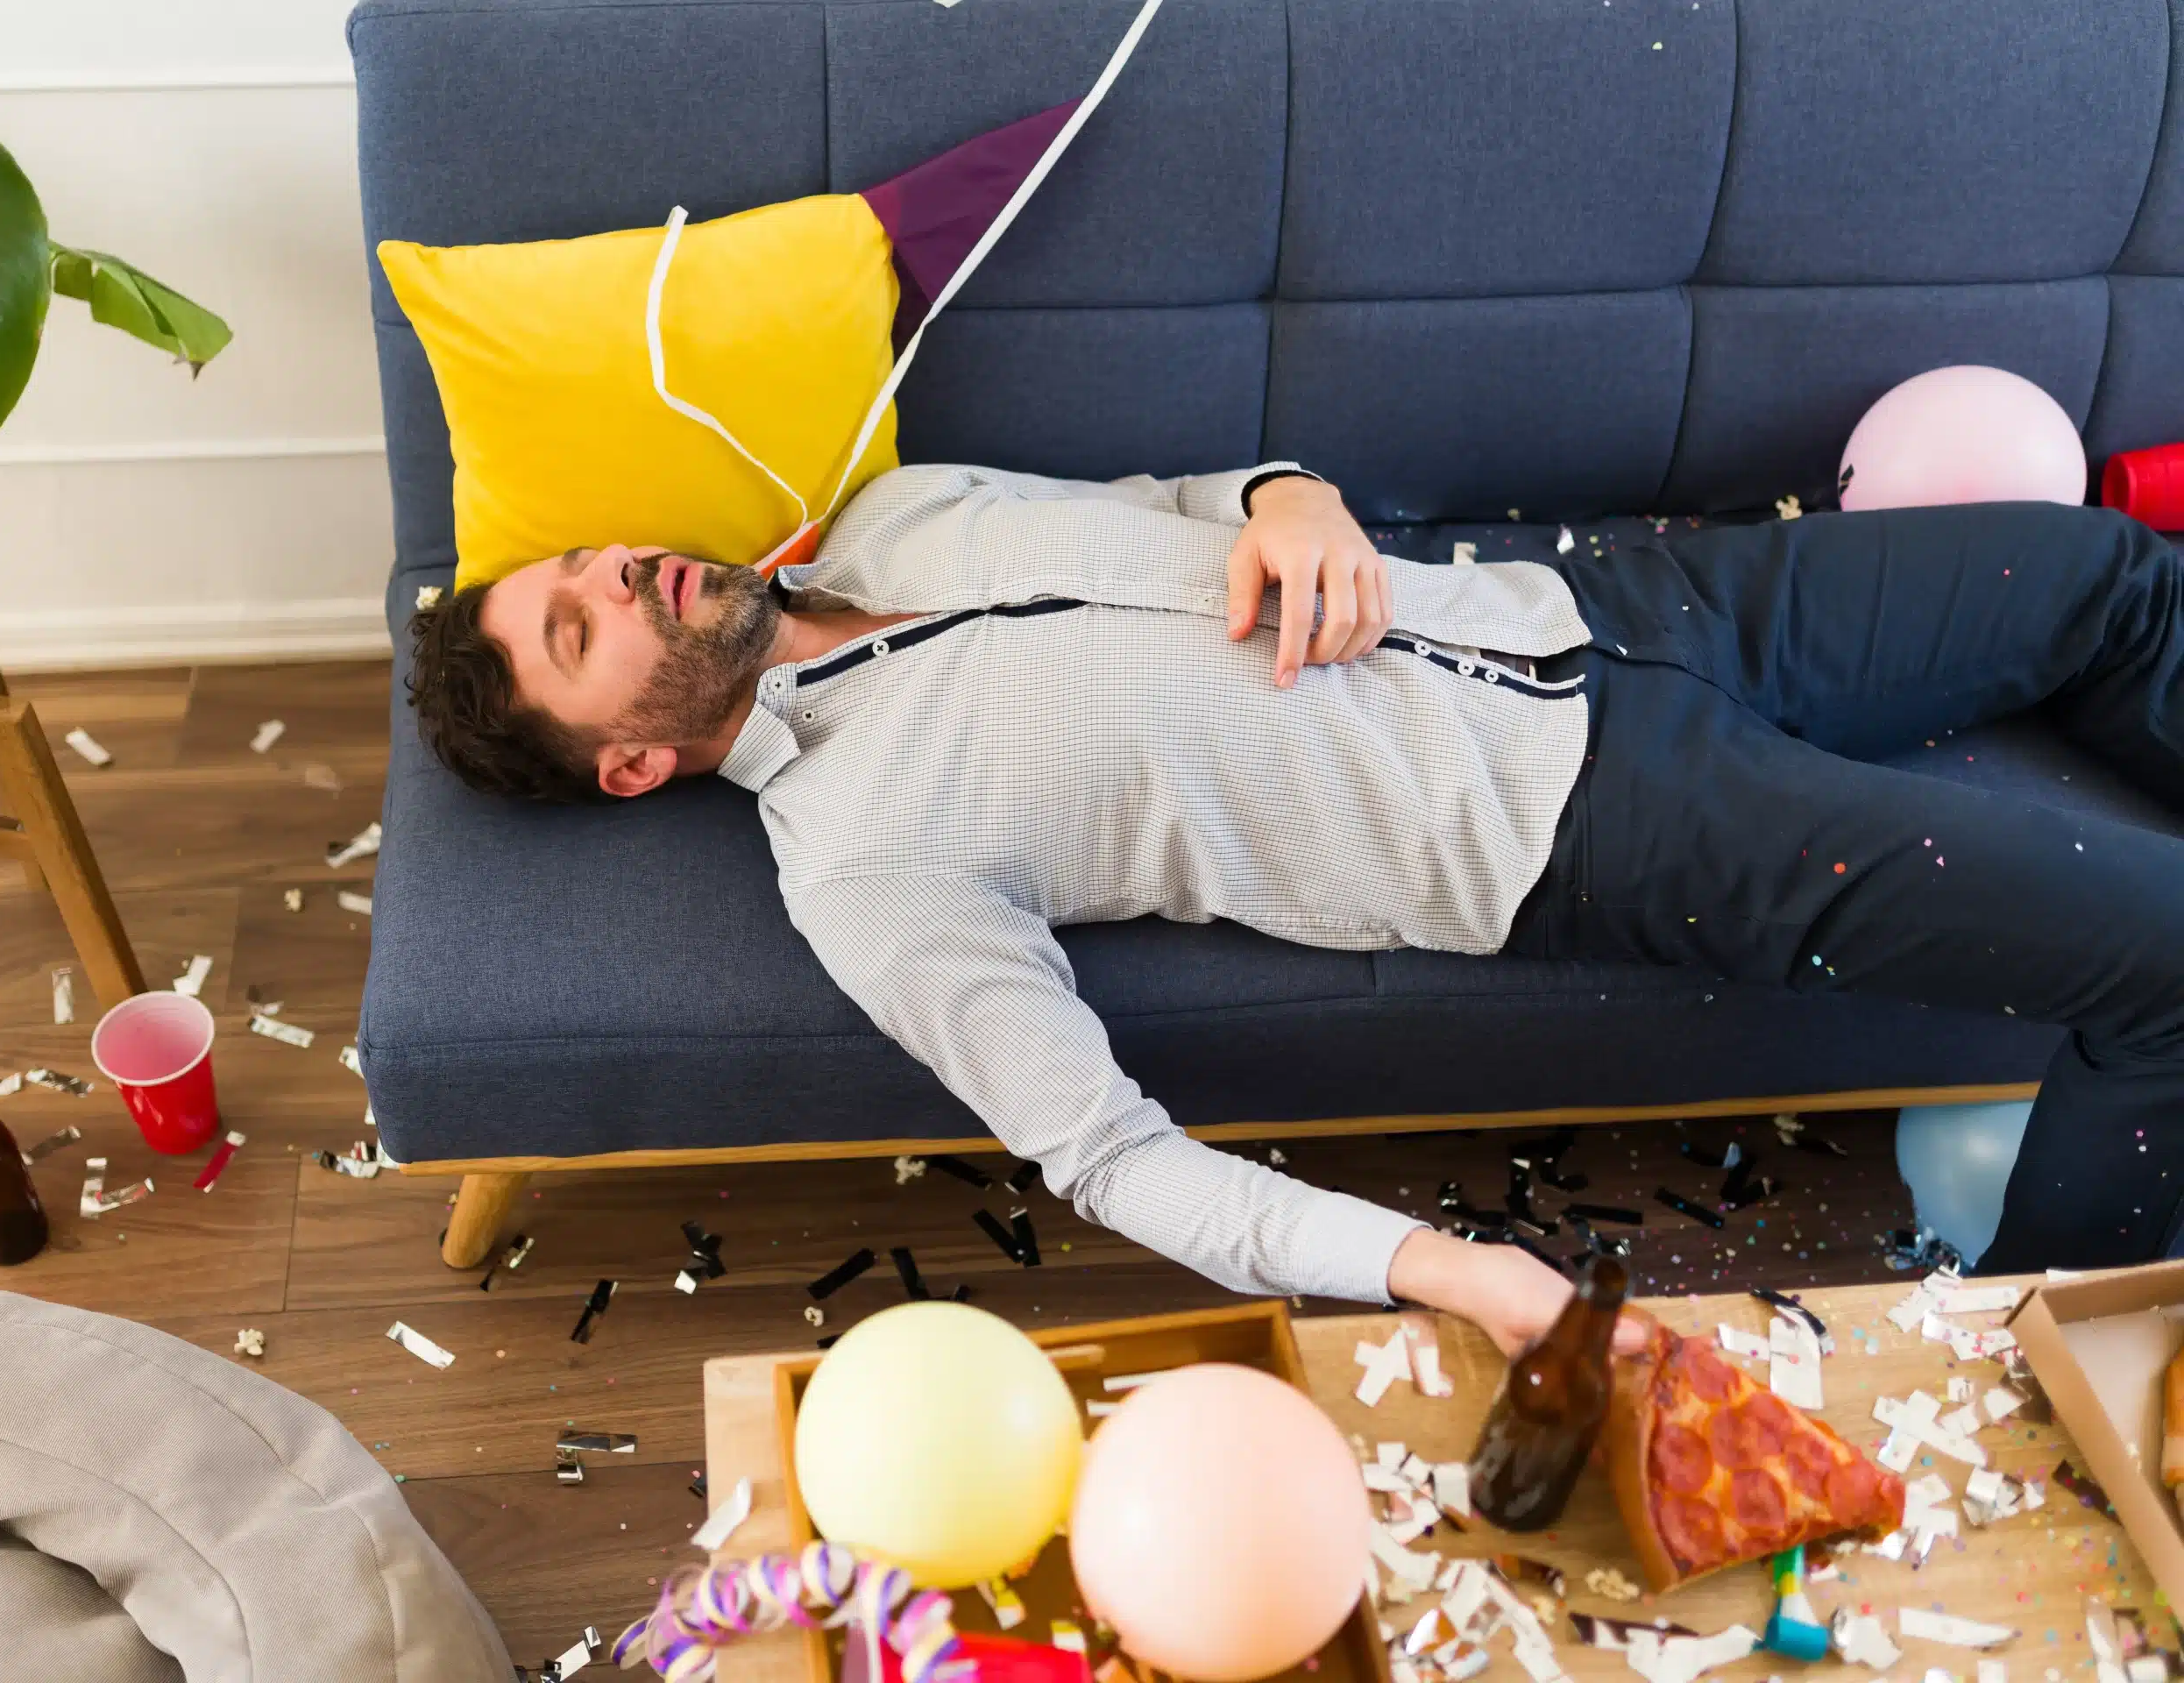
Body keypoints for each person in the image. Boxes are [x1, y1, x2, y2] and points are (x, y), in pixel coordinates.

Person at [408, 460, 2184, 1357]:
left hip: (1626, 602)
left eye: (588, 568)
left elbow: (1187, 498)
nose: (623, 577)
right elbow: (1103, 1157)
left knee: (2106, 576)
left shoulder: (899, 509)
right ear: (629, 765)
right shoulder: (865, 867)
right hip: (1605, 822)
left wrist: (1286, 494)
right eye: (585, 631)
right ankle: (2026, 1372)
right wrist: (1449, 1270)